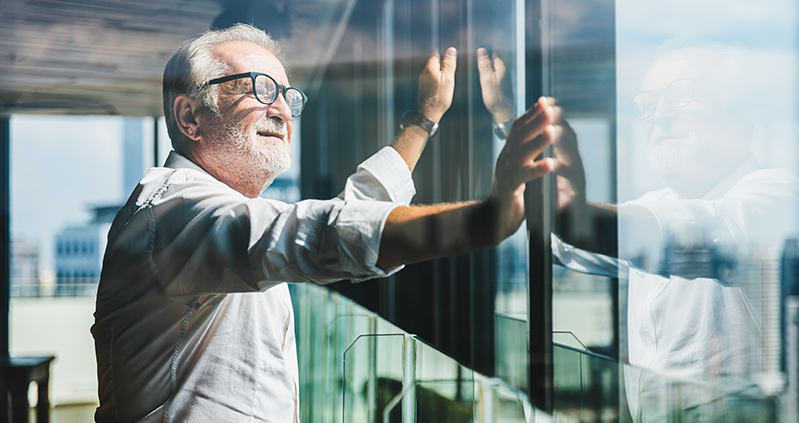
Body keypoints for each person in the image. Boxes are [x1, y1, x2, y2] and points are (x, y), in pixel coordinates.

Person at [92, 24, 558, 422]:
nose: (280, 109)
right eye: (259, 88)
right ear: (189, 116)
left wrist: (423, 119)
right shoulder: (170, 210)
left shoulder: (220, 215)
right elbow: (325, 232)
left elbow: (349, 212)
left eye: (287, 96)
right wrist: (486, 217)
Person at [477, 36, 799, 422]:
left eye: (683, 95)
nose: (659, 115)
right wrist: (508, 119)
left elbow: (693, 233)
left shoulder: (777, 193)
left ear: (741, 112)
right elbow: (562, 243)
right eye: (647, 105)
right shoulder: (656, 203)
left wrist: (575, 212)